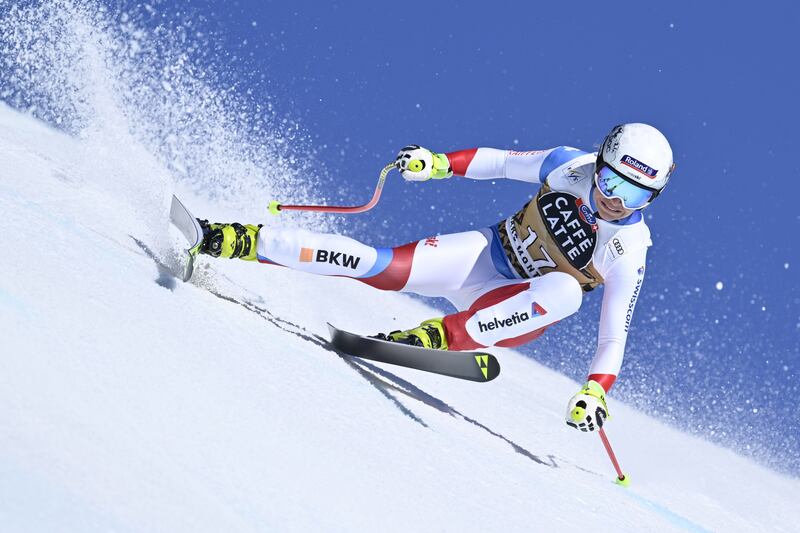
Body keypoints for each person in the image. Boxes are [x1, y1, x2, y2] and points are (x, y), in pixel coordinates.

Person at [197, 123, 675, 433]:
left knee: (568, 291)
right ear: (598, 164)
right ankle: (238, 240)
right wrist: (439, 163)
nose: (616, 201)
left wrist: (596, 389)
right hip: (485, 255)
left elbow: (614, 332)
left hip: (512, 309)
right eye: (612, 183)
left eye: (636, 196)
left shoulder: (628, 250)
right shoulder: (566, 165)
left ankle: (440, 338)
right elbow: (501, 161)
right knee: (379, 265)